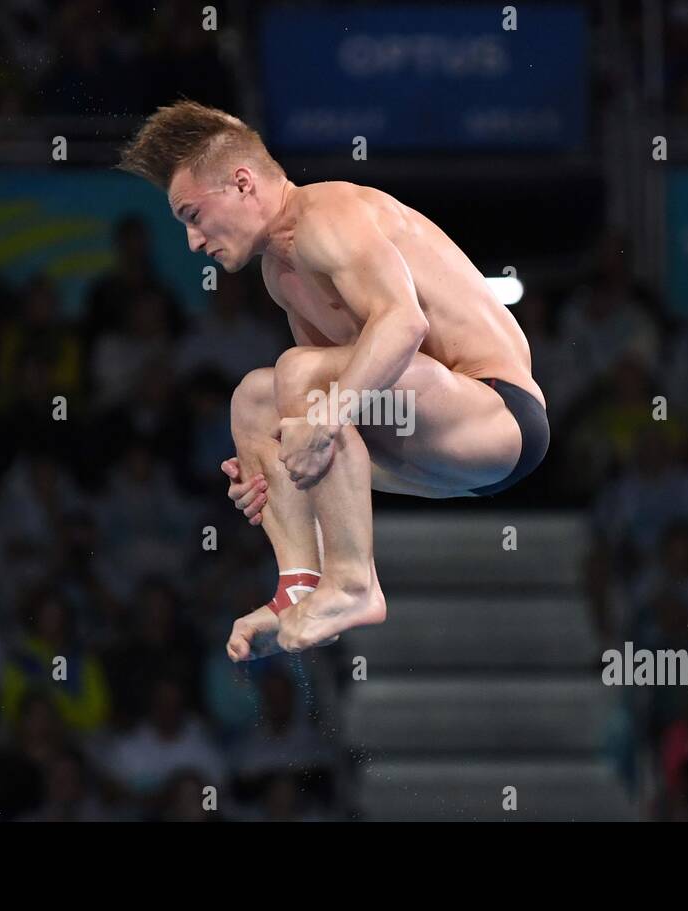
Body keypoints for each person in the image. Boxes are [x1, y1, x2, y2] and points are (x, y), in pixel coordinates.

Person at [119, 100, 549, 659]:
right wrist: (271, 472)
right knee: (253, 401)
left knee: (301, 378)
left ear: (242, 183)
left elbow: (403, 323)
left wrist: (322, 419)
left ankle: (352, 582)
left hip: (497, 418)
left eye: (192, 217)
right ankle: (296, 586)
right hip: (434, 450)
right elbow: (327, 418)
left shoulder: (329, 214)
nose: (193, 243)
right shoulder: (280, 272)